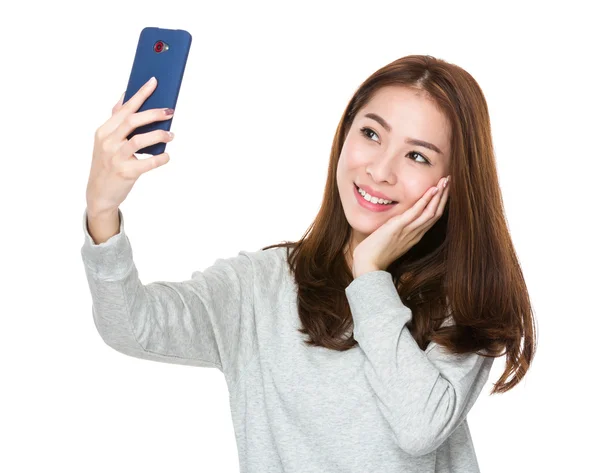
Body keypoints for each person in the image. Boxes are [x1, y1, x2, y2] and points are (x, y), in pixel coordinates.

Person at [81, 54, 536, 472]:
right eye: (371, 133)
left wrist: (370, 275)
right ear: (345, 135)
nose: (380, 170)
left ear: (453, 182)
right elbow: (132, 325)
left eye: (417, 155)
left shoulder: (465, 300)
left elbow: (419, 428)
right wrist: (101, 212)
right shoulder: (262, 286)